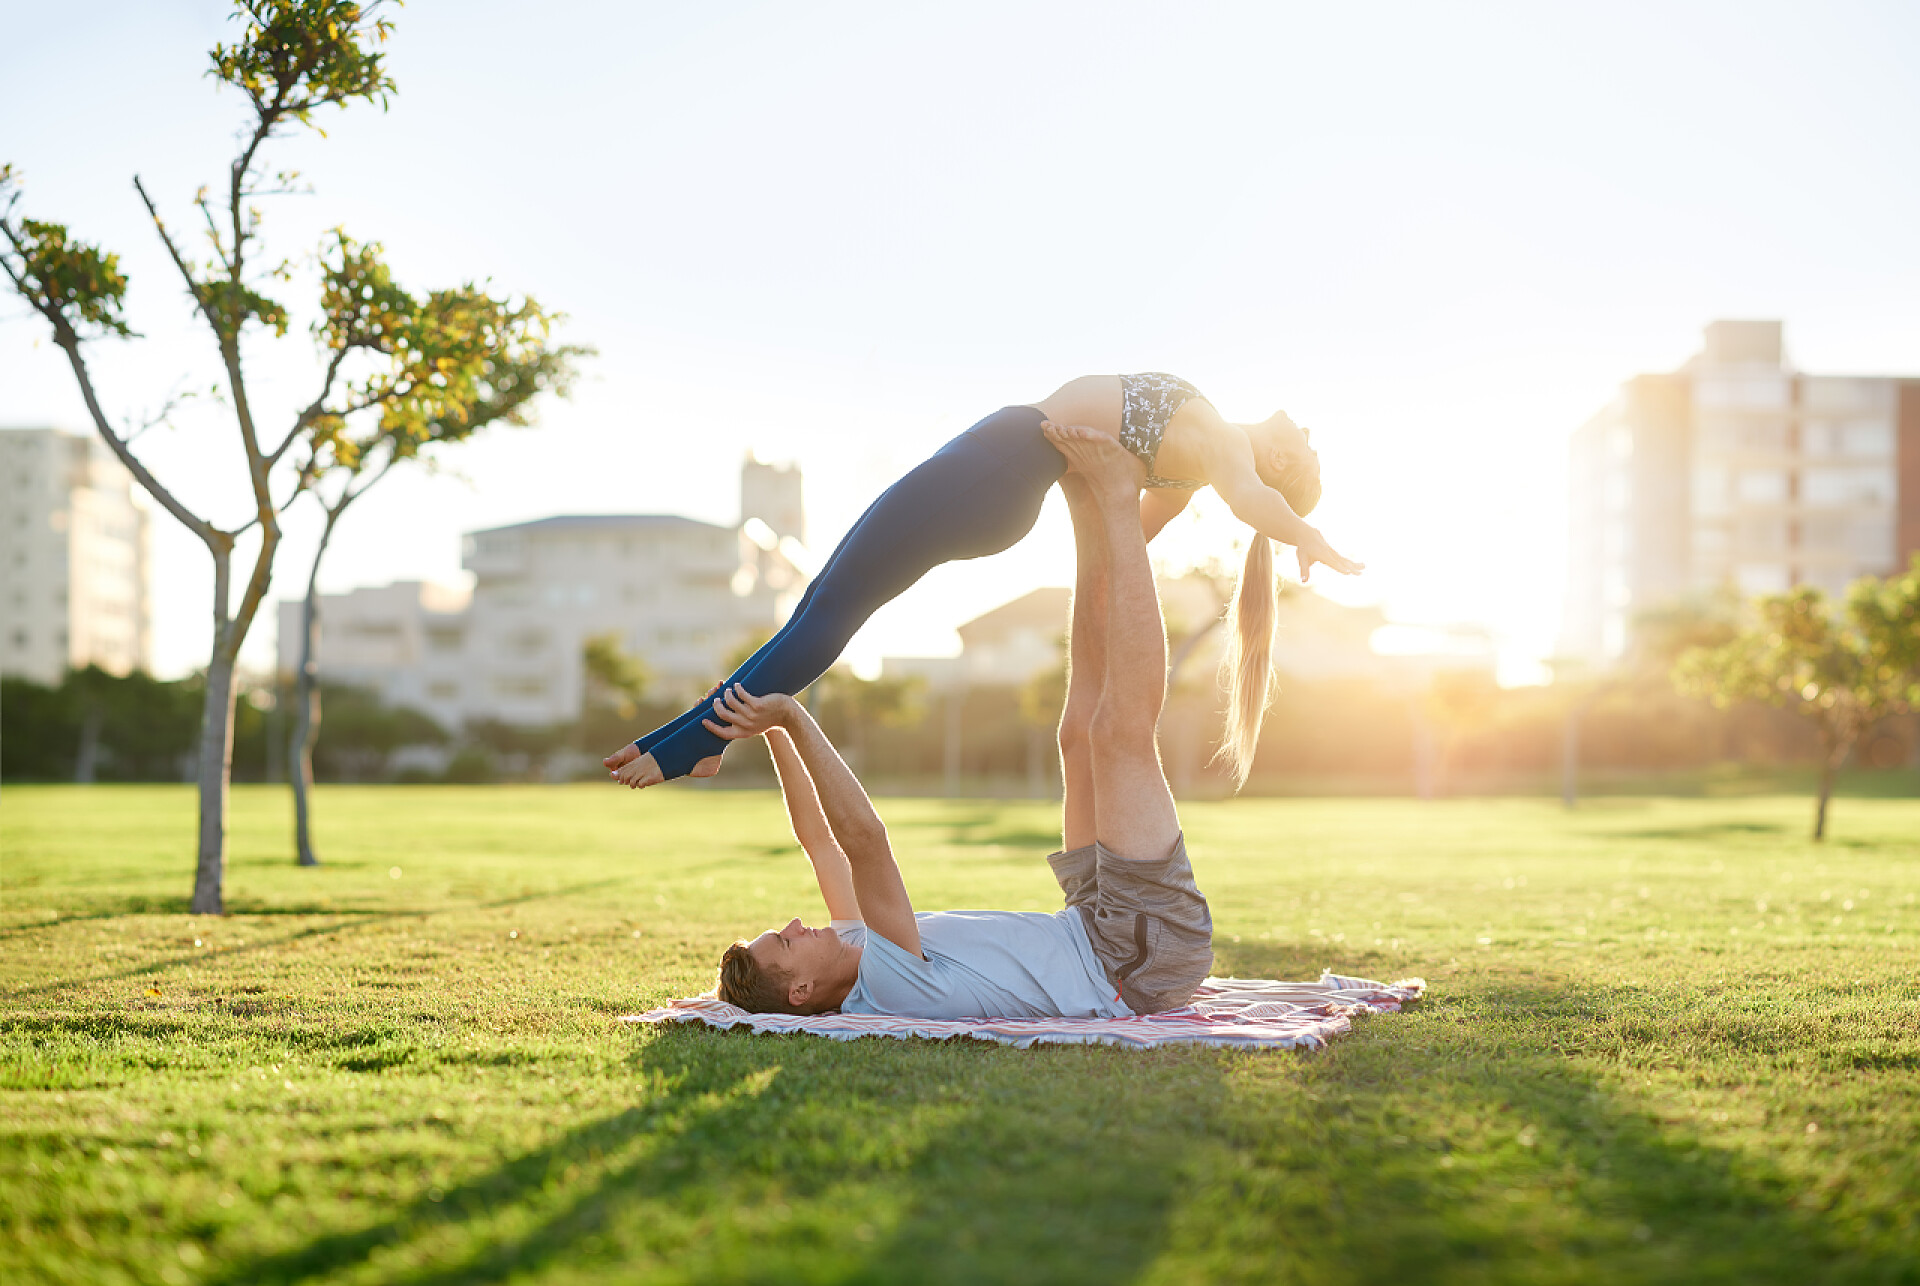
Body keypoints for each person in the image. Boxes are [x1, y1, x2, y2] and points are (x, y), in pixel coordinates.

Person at [606, 373, 1364, 791]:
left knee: (830, 612)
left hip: (994, 469)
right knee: (822, 604)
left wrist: (1302, 534)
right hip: (998, 482)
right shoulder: (1192, 465)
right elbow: (1127, 540)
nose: (1305, 427)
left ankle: (696, 745)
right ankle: (687, 740)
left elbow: (1250, 499)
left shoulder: (1225, 448)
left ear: (1285, 467)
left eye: (1310, 449)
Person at [702, 423, 1213, 1019]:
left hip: (1090, 923)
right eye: (786, 942)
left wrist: (766, 731)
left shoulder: (858, 945)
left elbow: (821, 843)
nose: (795, 924)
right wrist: (790, 715)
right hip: (1132, 963)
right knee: (1117, 734)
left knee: (1076, 738)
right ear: (800, 992)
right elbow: (863, 842)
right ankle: (1121, 499)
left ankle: (1088, 516)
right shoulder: (888, 984)